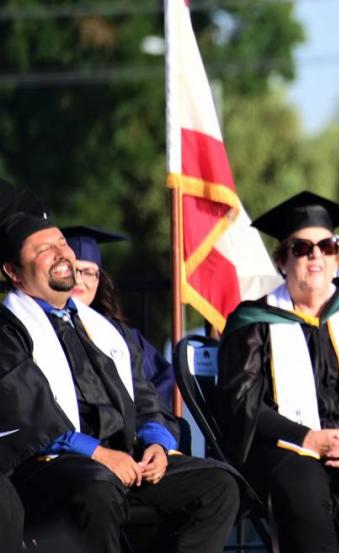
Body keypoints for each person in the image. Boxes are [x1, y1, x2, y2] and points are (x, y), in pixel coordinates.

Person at [0, 181, 239, 553]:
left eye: (61, 243)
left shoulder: (108, 330)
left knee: (217, 486)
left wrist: (157, 444)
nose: (62, 254)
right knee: (96, 485)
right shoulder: (8, 329)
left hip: (125, 459)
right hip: (54, 466)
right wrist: (98, 453)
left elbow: (146, 398)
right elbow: (31, 413)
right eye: (44, 249)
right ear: (14, 273)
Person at [215, 192, 339, 553]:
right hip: (284, 450)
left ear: (337, 258)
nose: (315, 256)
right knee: (302, 480)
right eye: (301, 248)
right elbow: (240, 405)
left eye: (327, 245)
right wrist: (309, 438)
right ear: (282, 260)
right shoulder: (252, 322)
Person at [62, 225, 176, 407]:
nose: (79, 280)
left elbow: (164, 377)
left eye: (89, 272)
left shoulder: (119, 334)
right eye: (72, 270)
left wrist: (149, 421)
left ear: (100, 280)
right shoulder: (44, 329)